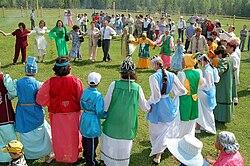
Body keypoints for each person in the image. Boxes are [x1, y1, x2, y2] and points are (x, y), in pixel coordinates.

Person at [100, 57, 150, 166]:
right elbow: (145, 107)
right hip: (128, 121)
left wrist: (103, 112)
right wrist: (151, 105)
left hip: (113, 118)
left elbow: (106, 103)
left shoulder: (114, 84)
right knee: (124, 144)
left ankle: (109, 161)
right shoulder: (137, 88)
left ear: (121, 72)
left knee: (111, 141)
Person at [36, 57, 84, 164]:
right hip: (73, 114)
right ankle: (73, 156)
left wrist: (51, 102)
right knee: (73, 136)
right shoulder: (75, 81)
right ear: (69, 68)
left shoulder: (50, 82)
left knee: (60, 137)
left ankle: (62, 156)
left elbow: (40, 98)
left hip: (57, 114)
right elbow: (81, 98)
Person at [10, 56, 54, 162]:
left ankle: (29, 154)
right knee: (41, 133)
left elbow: (12, 93)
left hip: (22, 112)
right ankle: (46, 154)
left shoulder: (17, 83)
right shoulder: (38, 84)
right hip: (35, 111)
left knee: (26, 136)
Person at [147, 56, 187, 164]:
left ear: (155, 65)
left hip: (157, 107)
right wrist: (174, 96)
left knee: (155, 130)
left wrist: (148, 103)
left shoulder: (153, 77)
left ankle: (158, 152)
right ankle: (159, 149)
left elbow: (156, 97)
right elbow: (183, 90)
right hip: (168, 104)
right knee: (164, 129)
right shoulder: (172, 75)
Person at [79, 72, 106, 166]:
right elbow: (99, 110)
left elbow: (81, 104)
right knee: (93, 141)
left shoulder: (85, 91)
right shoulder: (98, 95)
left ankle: (86, 155)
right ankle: (91, 161)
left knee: (85, 138)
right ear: (98, 83)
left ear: (88, 82)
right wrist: (105, 115)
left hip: (85, 116)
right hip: (93, 119)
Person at [177, 52, 205, 137]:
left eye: (183, 60)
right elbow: (202, 85)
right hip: (195, 98)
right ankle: (190, 136)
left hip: (184, 99)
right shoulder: (198, 72)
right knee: (192, 119)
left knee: (183, 119)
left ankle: (181, 137)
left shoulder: (182, 74)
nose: (181, 62)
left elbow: (178, 88)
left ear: (186, 62)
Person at [196, 54, 220, 134]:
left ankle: (211, 128)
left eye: (199, 61)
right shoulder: (212, 68)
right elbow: (216, 80)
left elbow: (208, 85)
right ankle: (205, 126)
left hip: (207, 92)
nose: (199, 63)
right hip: (212, 90)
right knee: (208, 110)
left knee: (207, 110)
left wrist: (200, 87)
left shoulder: (207, 71)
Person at [0, 66, 17, 163]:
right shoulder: (4, 78)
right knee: (9, 138)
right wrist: (9, 96)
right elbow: (13, 92)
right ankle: (12, 157)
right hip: (4, 115)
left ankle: (2, 158)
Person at [213, 46, 234, 123]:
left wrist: (213, 70)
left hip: (223, 83)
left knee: (221, 98)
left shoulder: (223, 61)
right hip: (228, 82)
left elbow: (220, 70)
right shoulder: (230, 59)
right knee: (227, 97)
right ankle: (226, 116)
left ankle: (220, 117)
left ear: (221, 54)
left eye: (218, 55)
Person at [226, 41, 240, 105]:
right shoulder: (231, 55)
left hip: (233, 75)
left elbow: (235, 67)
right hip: (232, 75)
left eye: (228, 47)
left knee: (233, 88)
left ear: (232, 48)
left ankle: (235, 100)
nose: (226, 49)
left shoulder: (233, 56)